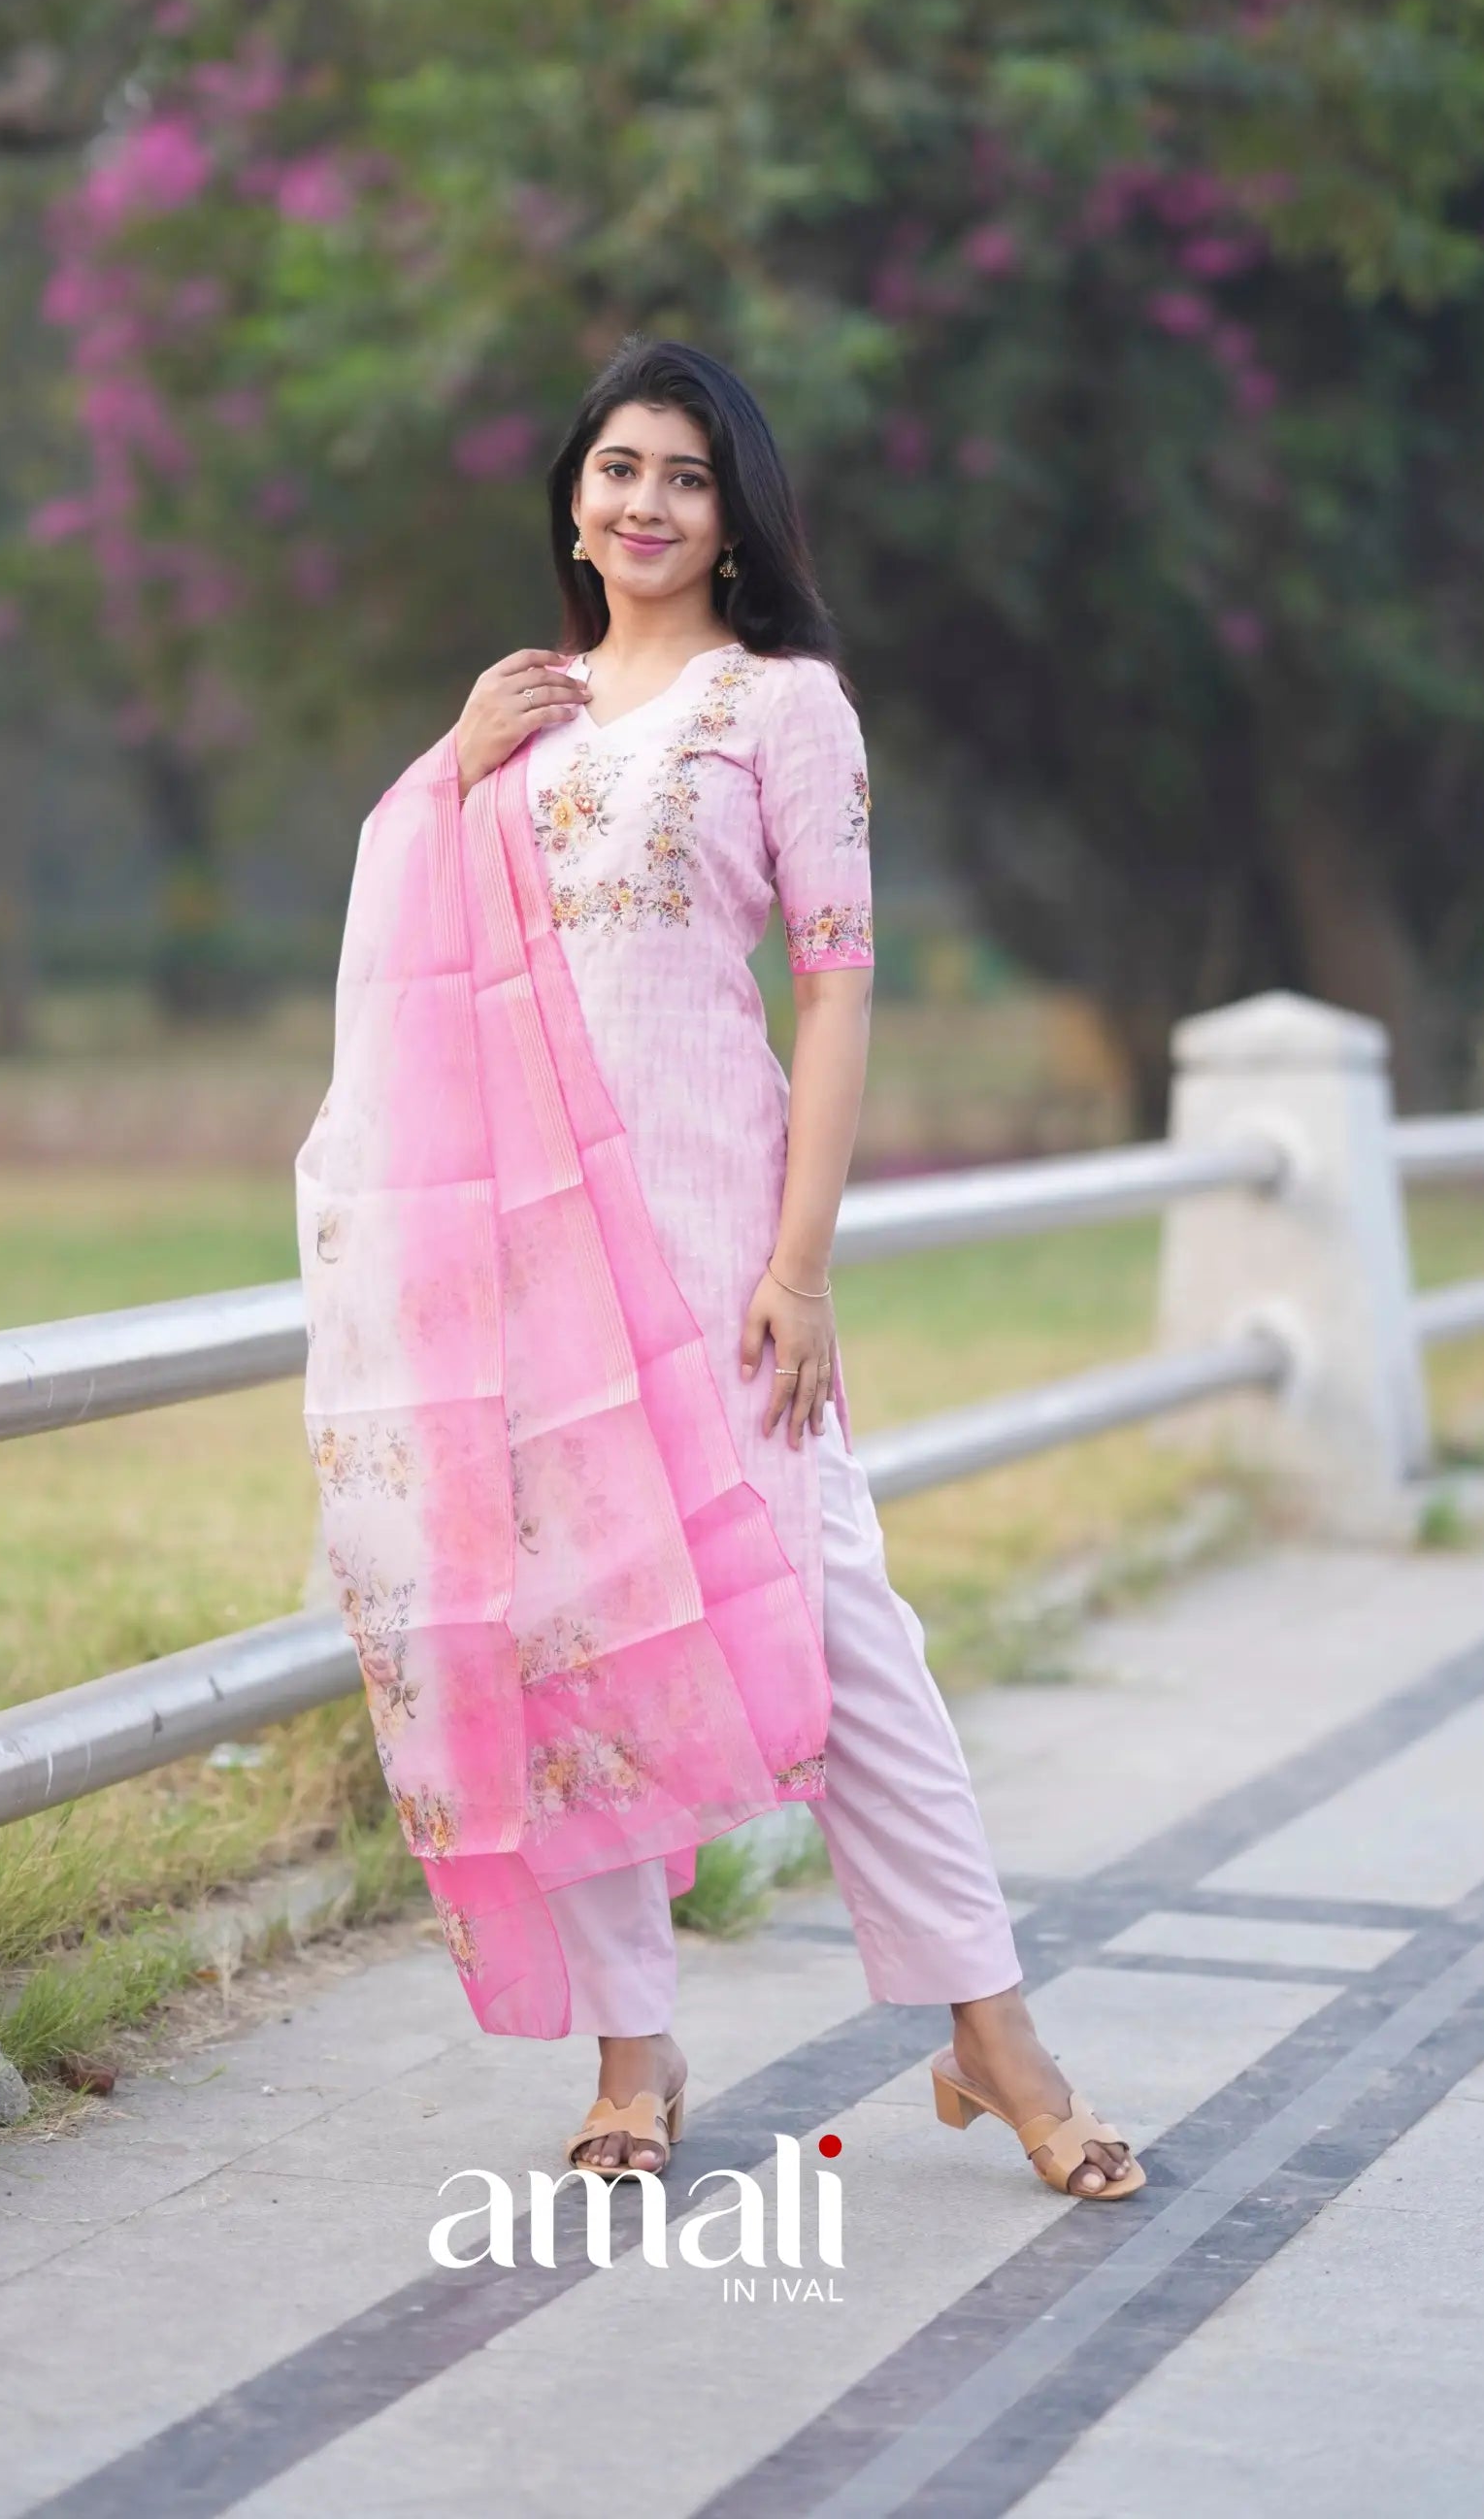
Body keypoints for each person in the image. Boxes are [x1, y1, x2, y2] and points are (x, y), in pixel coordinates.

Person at [297, 337, 1142, 2204]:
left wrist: (802, 1263)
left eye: (686, 474)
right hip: (531, 1264)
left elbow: (836, 991)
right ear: (573, 504)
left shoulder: (787, 708)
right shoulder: (517, 725)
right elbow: (412, 957)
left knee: (848, 1641)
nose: (648, 503)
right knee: (572, 1644)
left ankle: (992, 2032)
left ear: (735, 514)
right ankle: (634, 2050)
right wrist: (447, 772)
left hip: (720, 1249)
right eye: (618, 468)